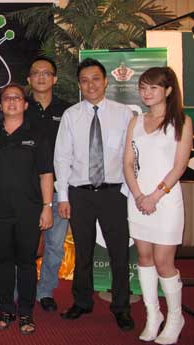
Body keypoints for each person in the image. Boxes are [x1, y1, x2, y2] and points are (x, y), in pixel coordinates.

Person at [54, 58, 134, 331]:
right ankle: (82, 302)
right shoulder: (71, 115)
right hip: (81, 194)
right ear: (79, 85)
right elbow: (61, 158)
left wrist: (127, 191)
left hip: (114, 194)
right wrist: (63, 196)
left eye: (96, 79)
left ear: (106, 81)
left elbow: (132, 156)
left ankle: (121, 306)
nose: (91, 84)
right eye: (85, 80)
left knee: (119, 253)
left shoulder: (124, 114)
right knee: (84, 252)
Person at [123, 67, 192, 344]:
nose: (147, 93)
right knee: (144, 259)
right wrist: (139, 194)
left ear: (168, 91)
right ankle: (154, 316)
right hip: (138, 201)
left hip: (165, 201)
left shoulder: (182, 122)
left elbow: (180, 165)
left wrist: (154, 196)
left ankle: (175, 316)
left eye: (153, 88)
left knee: (164, 262)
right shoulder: (136, 121)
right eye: (143, 87)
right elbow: (128, 162)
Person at [0, 84, 53, 334]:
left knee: (26, 263)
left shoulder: (37, 134)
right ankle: (6, 309)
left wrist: (47, 207)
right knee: (3, 261)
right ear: (1, 105)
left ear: (25, 104)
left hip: (29, 210)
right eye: (7, 99)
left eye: (17, 98)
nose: (12, 102)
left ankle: (26, 312)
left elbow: (46, 173)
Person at [26, 56, 72, 312]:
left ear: (54, 78)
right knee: (24, 245)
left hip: (59, 189)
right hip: (26, 190)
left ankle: (45, 292)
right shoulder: (19, 107)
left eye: (47, 73)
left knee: (54, 244)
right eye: (36, 72)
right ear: (29, 79)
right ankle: (14, 291)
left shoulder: (69, 110)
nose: (41, 77)